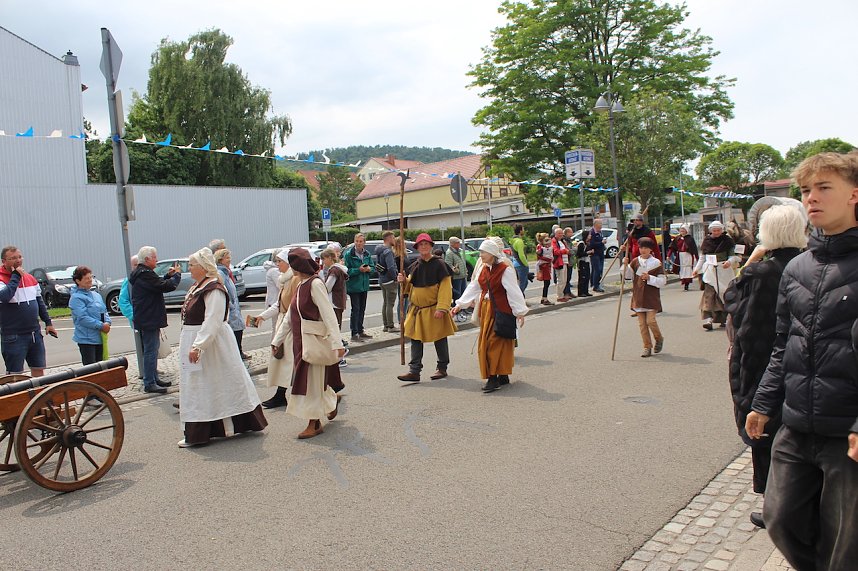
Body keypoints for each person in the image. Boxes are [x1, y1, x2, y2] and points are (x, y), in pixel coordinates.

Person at [745, 152, 858, 570]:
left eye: (824, 187)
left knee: (845, 537)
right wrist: (763, 402)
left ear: (854, 195)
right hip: (796, 422)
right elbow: (782, 344)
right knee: (780, 517)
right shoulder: (796, 268)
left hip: (845, 430)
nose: (811, 198)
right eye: (806, 190)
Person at [723, 204, 807, 530]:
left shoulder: (762, 272)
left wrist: (752, 260)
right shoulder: (807, 264)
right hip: (798, 361)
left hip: (763, 362)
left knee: (765, 435)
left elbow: (734, 301)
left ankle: (775, 504)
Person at [177, 248, 267, 448]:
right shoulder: (198, 286)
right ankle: (207, 429)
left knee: (217, 384)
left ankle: (220, 427)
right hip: (199, 341)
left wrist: (198, 346)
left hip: (213, 346)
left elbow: (213, 320)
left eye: (191, 265)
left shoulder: (214, 288)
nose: (189, 268)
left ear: (202, 267)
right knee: (203, 387)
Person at [284, 248, 347, 439]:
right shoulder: (300, 285)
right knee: (309, 382)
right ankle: (331, 400)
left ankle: (314, 423)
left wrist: (337, 343)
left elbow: (328, 314)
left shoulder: (315, 284)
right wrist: (276, 340)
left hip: (313, 342)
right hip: (300, 342)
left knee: (310, 383)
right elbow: (289, 316)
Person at [452, 240, 527, 392]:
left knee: (496, 343)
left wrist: (519, 312)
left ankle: (494, 378)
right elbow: (474, 287)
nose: (480, 255)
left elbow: (513, 291)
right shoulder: (484, 269)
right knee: (489, 343)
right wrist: (460, 304)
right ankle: (501, 375)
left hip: (501, 310)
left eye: (483, 252)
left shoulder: (505, 270)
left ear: (492, 253)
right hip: (487, 310)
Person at [396, 233, 457, 382]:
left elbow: (445, 287)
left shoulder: (440, 264)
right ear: (417, 247)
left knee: (439, 337)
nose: (423, 247)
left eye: (426, 244)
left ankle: (442, 368)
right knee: (415, 338)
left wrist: (442, 308)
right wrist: (403, 281)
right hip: (417, 310)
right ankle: (414, 371)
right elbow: (410, 287)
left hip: (434, 308)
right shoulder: (416, 264)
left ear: (431, 246)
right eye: (420, 245)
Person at [130, 246, 181, 394]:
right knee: (151, 351)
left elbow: (156, 284)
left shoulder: (141, 273)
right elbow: (166, 287)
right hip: (149, 317)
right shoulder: (144, 274)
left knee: (152, 349)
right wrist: (176, 276)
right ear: (147, 259)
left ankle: (153, 377)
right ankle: (150, 382)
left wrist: (167, 275)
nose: (157, 260)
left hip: (147, 316)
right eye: (154, 257)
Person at [0, 246, 56, 376]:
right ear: (4, 261)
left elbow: (39, 302)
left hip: (34, 333)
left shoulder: (30, 278)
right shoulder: (2, 279)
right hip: (13, 335)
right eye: (13, 258)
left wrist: (48, 323)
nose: (18, 260)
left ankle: (39, 395)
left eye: (19, 257)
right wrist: (15, 277)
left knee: (38, 369)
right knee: (15, 375)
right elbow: (5, 297)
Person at [255, 250, 298, 409]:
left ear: (288, 262)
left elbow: (291, 306)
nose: (277, 264)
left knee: (288, 362)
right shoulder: (284, 280)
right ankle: (281, 395)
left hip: (291, 326)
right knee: (285, 362)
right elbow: (279, 304)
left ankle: (329, 390)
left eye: (279, 261)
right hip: (284, 323)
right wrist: (262, 316)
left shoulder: (294, 280)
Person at [623, 237, 666, 358]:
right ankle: (647, 347)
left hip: (651, 297)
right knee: (642, 324)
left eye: (646, 248)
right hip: (638, 296)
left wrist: (650, 278)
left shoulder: (656, 263)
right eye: (641, 248)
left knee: (650, 321)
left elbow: (663, 281)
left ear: (651, 249)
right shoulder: (636, 261)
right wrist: (625, 265)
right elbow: (627, 276)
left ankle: (659, 338)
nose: (643, 250)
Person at [692, 221, 739, 330]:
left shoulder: (727, 241)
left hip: (724, 270)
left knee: (724, 293)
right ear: (711, 231)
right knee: (709, 294)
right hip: (710, 271)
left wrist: (729, 262)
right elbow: (703, 257)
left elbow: (733, 256)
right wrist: (696, 269)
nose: (716, 232)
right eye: (714, 230)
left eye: (718, 230)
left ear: (722, 230)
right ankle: (709, 320)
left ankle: (724, 318)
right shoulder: (707, 241)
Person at [69, 265, 111, 365]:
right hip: (86, 340)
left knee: (102, 366)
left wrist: (108, 322)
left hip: (99, 337)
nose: (89, 280)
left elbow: (104, 311)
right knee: (91, 368)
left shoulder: (96, 295)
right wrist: (101, 325)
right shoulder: (76, 298)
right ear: (78, 281)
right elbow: (82, 318)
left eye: (90, 277)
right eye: (86, 278)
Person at [214, 249, 248, 360]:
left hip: (234, 308)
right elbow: (223, 291)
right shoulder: (221, 273)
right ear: (220, 259)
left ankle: (239, 352)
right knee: (235, 331)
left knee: (238, 329)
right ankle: (237, 354)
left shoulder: (226, 272)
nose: (230, 260)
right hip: (231, 310)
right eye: (227, 258)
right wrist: (231, 306)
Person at [321, 248, 349, 366]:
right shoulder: (339, 269)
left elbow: (327, 287)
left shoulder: (334, 271)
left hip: (333, 302)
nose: (323, 262)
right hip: (338, 301)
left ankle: (341, 356)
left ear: (329, 258)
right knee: (335, 329)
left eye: (324, 259)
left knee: (333, 330)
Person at [344, 233, 373, 342]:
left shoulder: (367, 254)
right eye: (357, 241)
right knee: (355, 309)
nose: (358, 243)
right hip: (354, 286)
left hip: (364, 286)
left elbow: (373, 267)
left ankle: (360, 330)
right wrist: (358, 270)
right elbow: (346, 270)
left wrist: (369, 269)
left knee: (362, 309)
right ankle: (354, 333)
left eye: (361, 241)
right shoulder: (349, 254)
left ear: (364, 242)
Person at [376, 231, 400, 333]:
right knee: (390, 303)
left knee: (385, 303)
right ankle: (390, 326)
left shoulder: (379, 250)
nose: (394, 240)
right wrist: (395, 277)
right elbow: (390, 266)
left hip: (382, 279)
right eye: (393, 238)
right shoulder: (388, 251)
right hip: (389, 280)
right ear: (389, 238)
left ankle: (385, 325)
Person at [667, 226, 698, 291]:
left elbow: (694, 248)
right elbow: (672, 247)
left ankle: (687, 284)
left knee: (688, 268)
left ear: (686, 231)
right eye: (681, 230)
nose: (682, 231)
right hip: (680, 256)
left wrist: (697, 257)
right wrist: (668, 255)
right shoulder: (677, 238)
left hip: (688, 255)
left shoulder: (690, 238)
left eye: (683, 230)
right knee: (682, 269)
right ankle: (683, 281)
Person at [445, 237, 468, 301]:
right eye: (457, 243)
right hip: (456, 278)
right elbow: (448, 265)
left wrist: (465, 270)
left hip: (462, 276)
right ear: (452, 244)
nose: (459, 244)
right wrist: (457, 271)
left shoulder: (457, 251)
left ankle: (463, 308)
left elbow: (461, 262)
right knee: (458, 295)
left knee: (463, 293)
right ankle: (457, 309)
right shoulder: (449, 253)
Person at [551, 228, 571, 302]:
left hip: (565, 262)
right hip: (559, 263)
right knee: (560, 280)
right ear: (555, 234)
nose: (561, 235)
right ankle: (559, 296)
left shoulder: (562, 241)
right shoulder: (554, 241)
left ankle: (561, 294)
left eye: (562, 233)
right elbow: (555, 251)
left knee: (565, 280)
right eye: (559, 233)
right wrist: (564, 251)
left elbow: (566, 249)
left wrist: (567, 251)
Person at [117, 255, 138, 325]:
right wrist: (133, 316)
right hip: (139, 321)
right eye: (135, 265)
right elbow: (123, 301)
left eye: (139, 264)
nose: (138, 267)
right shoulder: (128, 281)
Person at [510, 223, 529, 293]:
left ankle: (520, 297)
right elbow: (521, 255)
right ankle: (519, 298)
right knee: (522, 283)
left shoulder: (512, 240)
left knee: (523, 282)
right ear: (520, 231)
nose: (523, 230)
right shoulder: (519, 241)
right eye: (523, 229)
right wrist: (526, 264)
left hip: (515, 263)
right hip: (521, 264)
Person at [535, 233, 554, 306]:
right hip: (543, 265)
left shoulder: (547, 246)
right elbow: (539, 256)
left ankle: (544, 298)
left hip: (547, 265)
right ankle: (544, 298)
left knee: (547, 282)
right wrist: (548, 259)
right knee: (547, 282)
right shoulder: (540, 247)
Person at [589, 219, 606, 292]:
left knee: (598, 270)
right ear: (596, 224)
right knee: (597, 270)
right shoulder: (592, 233)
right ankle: (596, 286)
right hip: (595, 254)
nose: (601, 225)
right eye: (600, 224)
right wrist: (601, 242)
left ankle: (594, 283)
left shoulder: (600, 232)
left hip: (601, 253)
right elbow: (591, 244)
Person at [576, 229, 594, 297]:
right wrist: (587, 253)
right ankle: (580, 292)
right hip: (582, 262)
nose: (590, 236)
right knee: (582, 277)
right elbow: (579, 254)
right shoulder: (581, 244)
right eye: (589, 235)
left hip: (587, 261)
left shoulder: (588, 243)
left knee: (587, 276)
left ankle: (586, 291)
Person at [562, 227, 576, 298]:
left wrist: (573, 250)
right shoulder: (564, 241)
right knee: (566, 278)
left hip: (570, 261)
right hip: (566, 261)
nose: (572, 233)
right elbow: (569, 250)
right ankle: (566, 293)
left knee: (569, 277)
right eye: (570, 232)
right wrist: (572, 251)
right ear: (566, 233)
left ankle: (569, 292)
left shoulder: (569, 240)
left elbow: (573, 249)